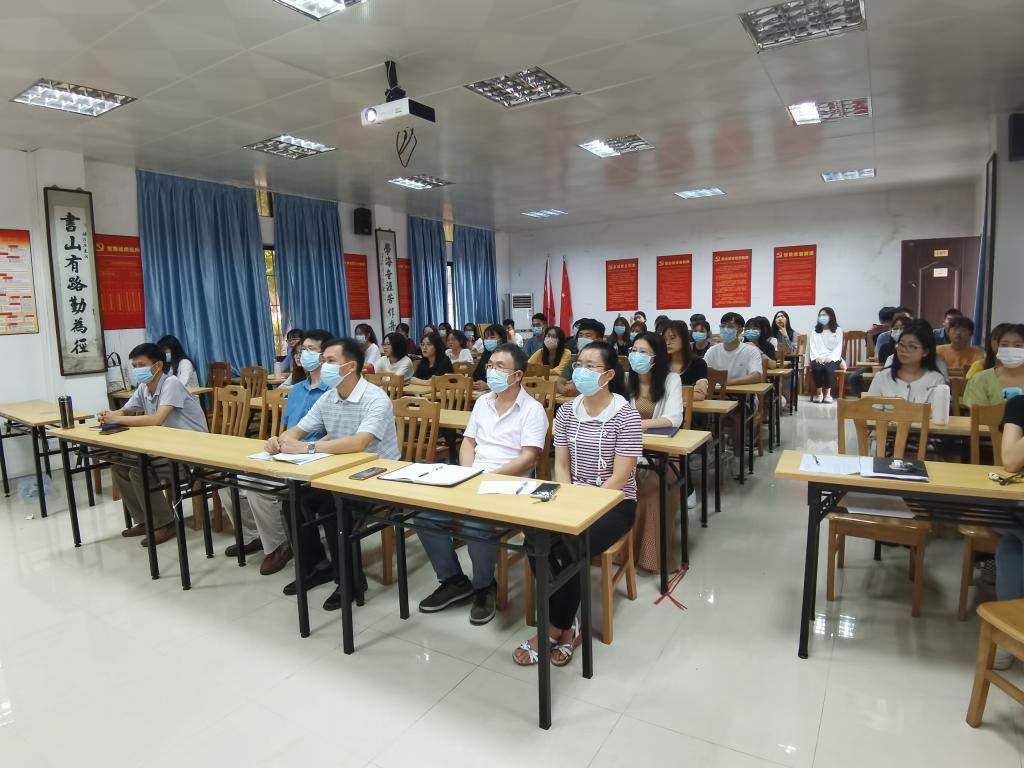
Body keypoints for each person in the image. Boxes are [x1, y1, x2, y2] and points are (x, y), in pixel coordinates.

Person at [513, 341, 641, 667]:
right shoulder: (567, 411)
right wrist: (568, 501)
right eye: (578, 364)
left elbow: (621, 477)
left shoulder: (626, 415)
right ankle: (569, 623)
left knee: (570, 544)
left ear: (609, 375)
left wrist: (585, 508)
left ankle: (556, 627)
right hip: (572, 496)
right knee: (534, 536)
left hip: (614, 503)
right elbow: (561, 465)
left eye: (590, 366)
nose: (581, 371)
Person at [417, 344, 548, 625]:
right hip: (474, 479)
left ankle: (484, 586)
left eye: (500, 366)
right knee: (425, 515)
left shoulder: (532, 410)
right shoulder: (482, 402)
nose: (492, 371)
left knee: (475, 524)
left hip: (510, 485)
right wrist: (468, 475)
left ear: (517, 375)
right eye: (490, 365)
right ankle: (453, 580)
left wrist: (489, 479)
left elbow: (528, 458)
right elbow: (468, 442)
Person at [275, 337, 401, 610]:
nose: (323, 366)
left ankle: (351, 581)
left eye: (330, 361)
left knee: (335, 508)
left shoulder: (375, 398)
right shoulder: (329, 397)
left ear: (350, 367)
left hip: (378, 475)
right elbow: (299, 429)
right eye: (323, 361)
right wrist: (280, 440)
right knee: (293, 499)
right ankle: (317, 567)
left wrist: (307, 447)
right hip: (339, 473)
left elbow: (359, 442)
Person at [223, 329, 334, 574]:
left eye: (310, 349)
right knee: (229, 480)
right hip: (289, 453)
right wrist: (276, 440)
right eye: (301, 350)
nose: (303, 354)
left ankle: (280, 546)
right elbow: (289, 429)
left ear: (326, 355)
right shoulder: (296, 390)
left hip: (316, 457)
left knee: (256, 487)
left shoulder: (333, 390)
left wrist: (304, 449)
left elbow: (337, 434)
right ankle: (255, 536)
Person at [96, 343, 209, 547]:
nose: (137, 370)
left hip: (191, 452)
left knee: (138, 471)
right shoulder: (144, 387)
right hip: (166, 448)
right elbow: (126, 410)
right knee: (120, 467)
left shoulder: (171, 383)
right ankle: (146, 520)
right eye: (134, 366)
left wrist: (117, 419)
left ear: (157, 366)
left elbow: (157, 419)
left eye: (141, 365)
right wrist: (110, 414)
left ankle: (165, 524)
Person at [626, 331, 687, 572]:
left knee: (651, 493)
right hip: (629, 453)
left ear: (656, 357)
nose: (636, 356)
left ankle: (650, 558)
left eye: (643, 352)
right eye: (634, 351)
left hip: (663, 456)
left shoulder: (671, 380)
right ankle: (620, 554)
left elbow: (673, 419)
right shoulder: (625, 379)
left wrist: (636, 424)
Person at [994, 394, 1024, 669]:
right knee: (1012, 526)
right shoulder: (1018, 404)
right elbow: (1011, 461)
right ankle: (1011, 631)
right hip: (1016, 503)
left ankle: (1008, 633)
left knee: (1011, 547)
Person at [866, 320, 947, 408]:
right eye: (901, 345)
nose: (904, 350)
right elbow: (870, 411)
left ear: (925, 352)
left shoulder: (936, 380)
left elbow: (937, 413)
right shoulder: (882, 377)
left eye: (912, 346)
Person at [963, 324, 1024, 406]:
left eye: (1018, 345)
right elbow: (977, 412)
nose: (1010, 350)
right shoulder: (980, 379)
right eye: (1004, 345)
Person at [702, 312, 764, 385]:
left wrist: (729, 382)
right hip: (717, 390)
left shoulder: (751, 350)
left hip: (742, 391)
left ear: (740, 330)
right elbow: (701, 372)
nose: (725, 329)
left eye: (730, 327)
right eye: (723, 326)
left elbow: (757, 376)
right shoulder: (713, 350)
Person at [557, 318, 607, 396]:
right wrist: (565, 390)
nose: (583, 338)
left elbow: (601, 386)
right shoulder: (574, 359)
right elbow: (559, 382)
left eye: (588, 336)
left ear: (599, 340)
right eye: (580, 335)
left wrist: (577, 387)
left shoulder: (605, 360)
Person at [662, 320, 709, 398]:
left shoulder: (698, 363)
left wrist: (668, 393)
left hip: (689, 406)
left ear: (684, 339)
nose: (667, 342)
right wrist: (688, 391)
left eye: (672, 338)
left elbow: (700, 394)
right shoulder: (660, 363)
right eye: (665, 339)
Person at [808, 307, 843, 403]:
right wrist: (817, 357)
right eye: (820, 315)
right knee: (817, 368)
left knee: (828, 369)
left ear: (831, 316)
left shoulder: (838, 330)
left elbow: (838, 347)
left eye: (824, 315)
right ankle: (819, 394)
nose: (821, 317)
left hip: (833, 357)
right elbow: (812, 347)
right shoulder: (814, 332)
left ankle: (828, 394)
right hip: (818, 357)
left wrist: (830, 357)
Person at [471, 325, 509, 390]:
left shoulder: (508, 356)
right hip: (484, 393)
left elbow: (509, 381)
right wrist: (474, 383)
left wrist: (489, 386)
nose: (488, 340)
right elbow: (476, 375)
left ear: (501, 339)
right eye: (486, 338)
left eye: (492, 337)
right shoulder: (486, 354)